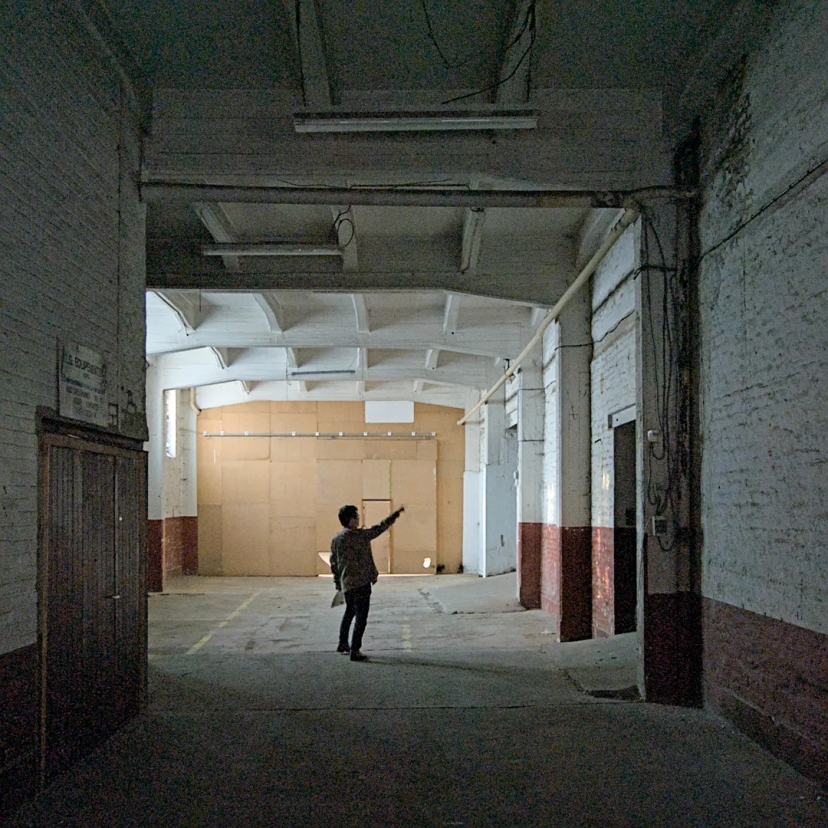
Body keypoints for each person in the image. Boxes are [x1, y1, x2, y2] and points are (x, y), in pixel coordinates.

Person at [330, 503, 404, 662]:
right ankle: (355, 650)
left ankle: (343, 643)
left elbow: (334, 563)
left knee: (350, 611)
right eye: (356, 516)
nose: (358, 518)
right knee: (361, 617)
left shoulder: (336, 539)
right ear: (351, 520)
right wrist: (395, 516)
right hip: (361, 583)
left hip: (347, 584)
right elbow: (380, 528)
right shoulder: (359, 536)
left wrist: (339, 583)